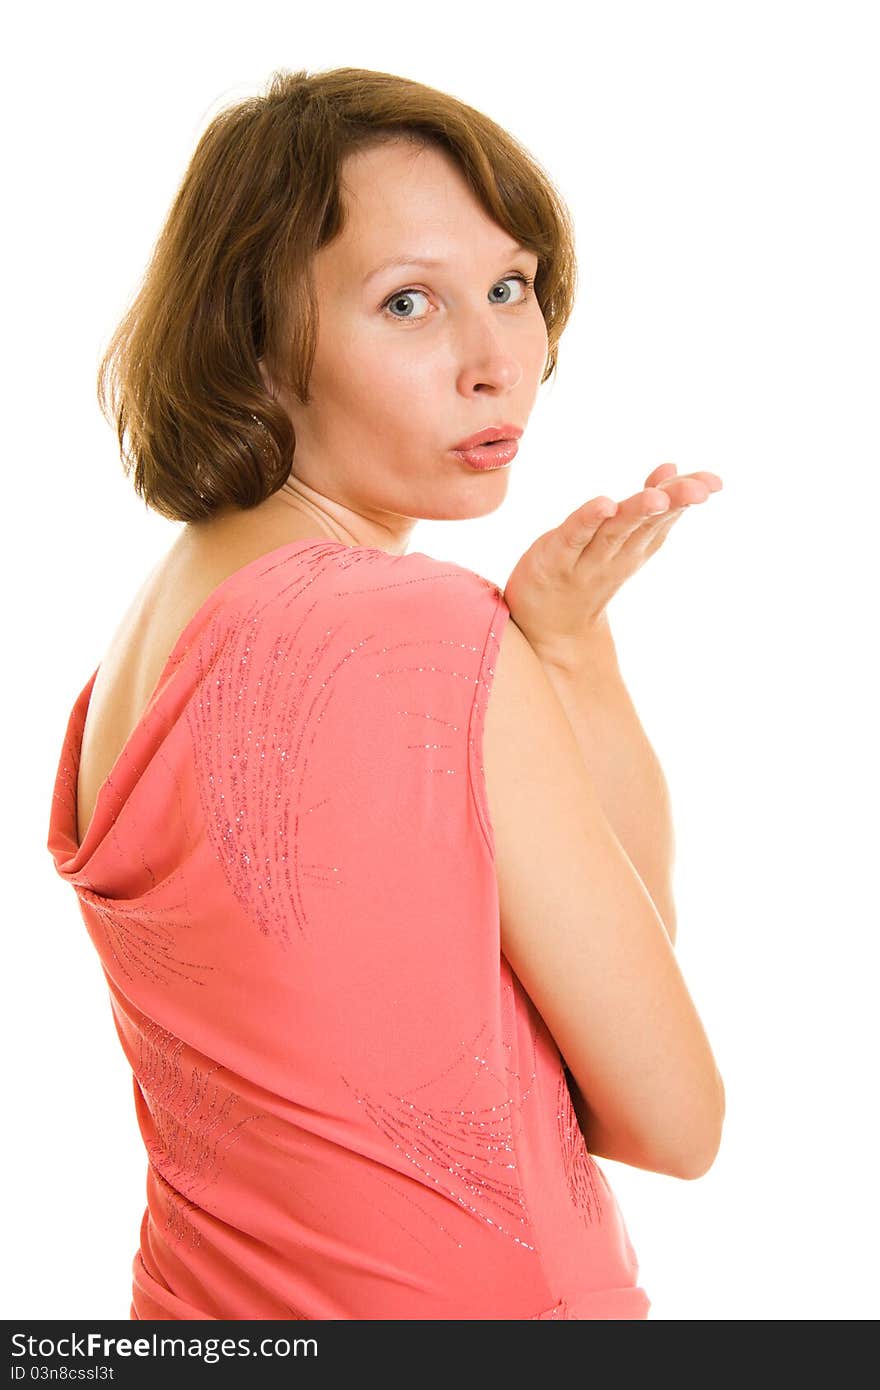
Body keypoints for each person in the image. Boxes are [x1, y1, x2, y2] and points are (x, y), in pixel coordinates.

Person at [46, 65, 725, 1321]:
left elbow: (573, 1021)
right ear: (255, 338)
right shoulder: (412, 633)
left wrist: (568, 648)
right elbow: (668, 1116)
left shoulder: (155, 629)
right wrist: (542, 661)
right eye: (406, 302)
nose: (494, 362)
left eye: (509, 288)